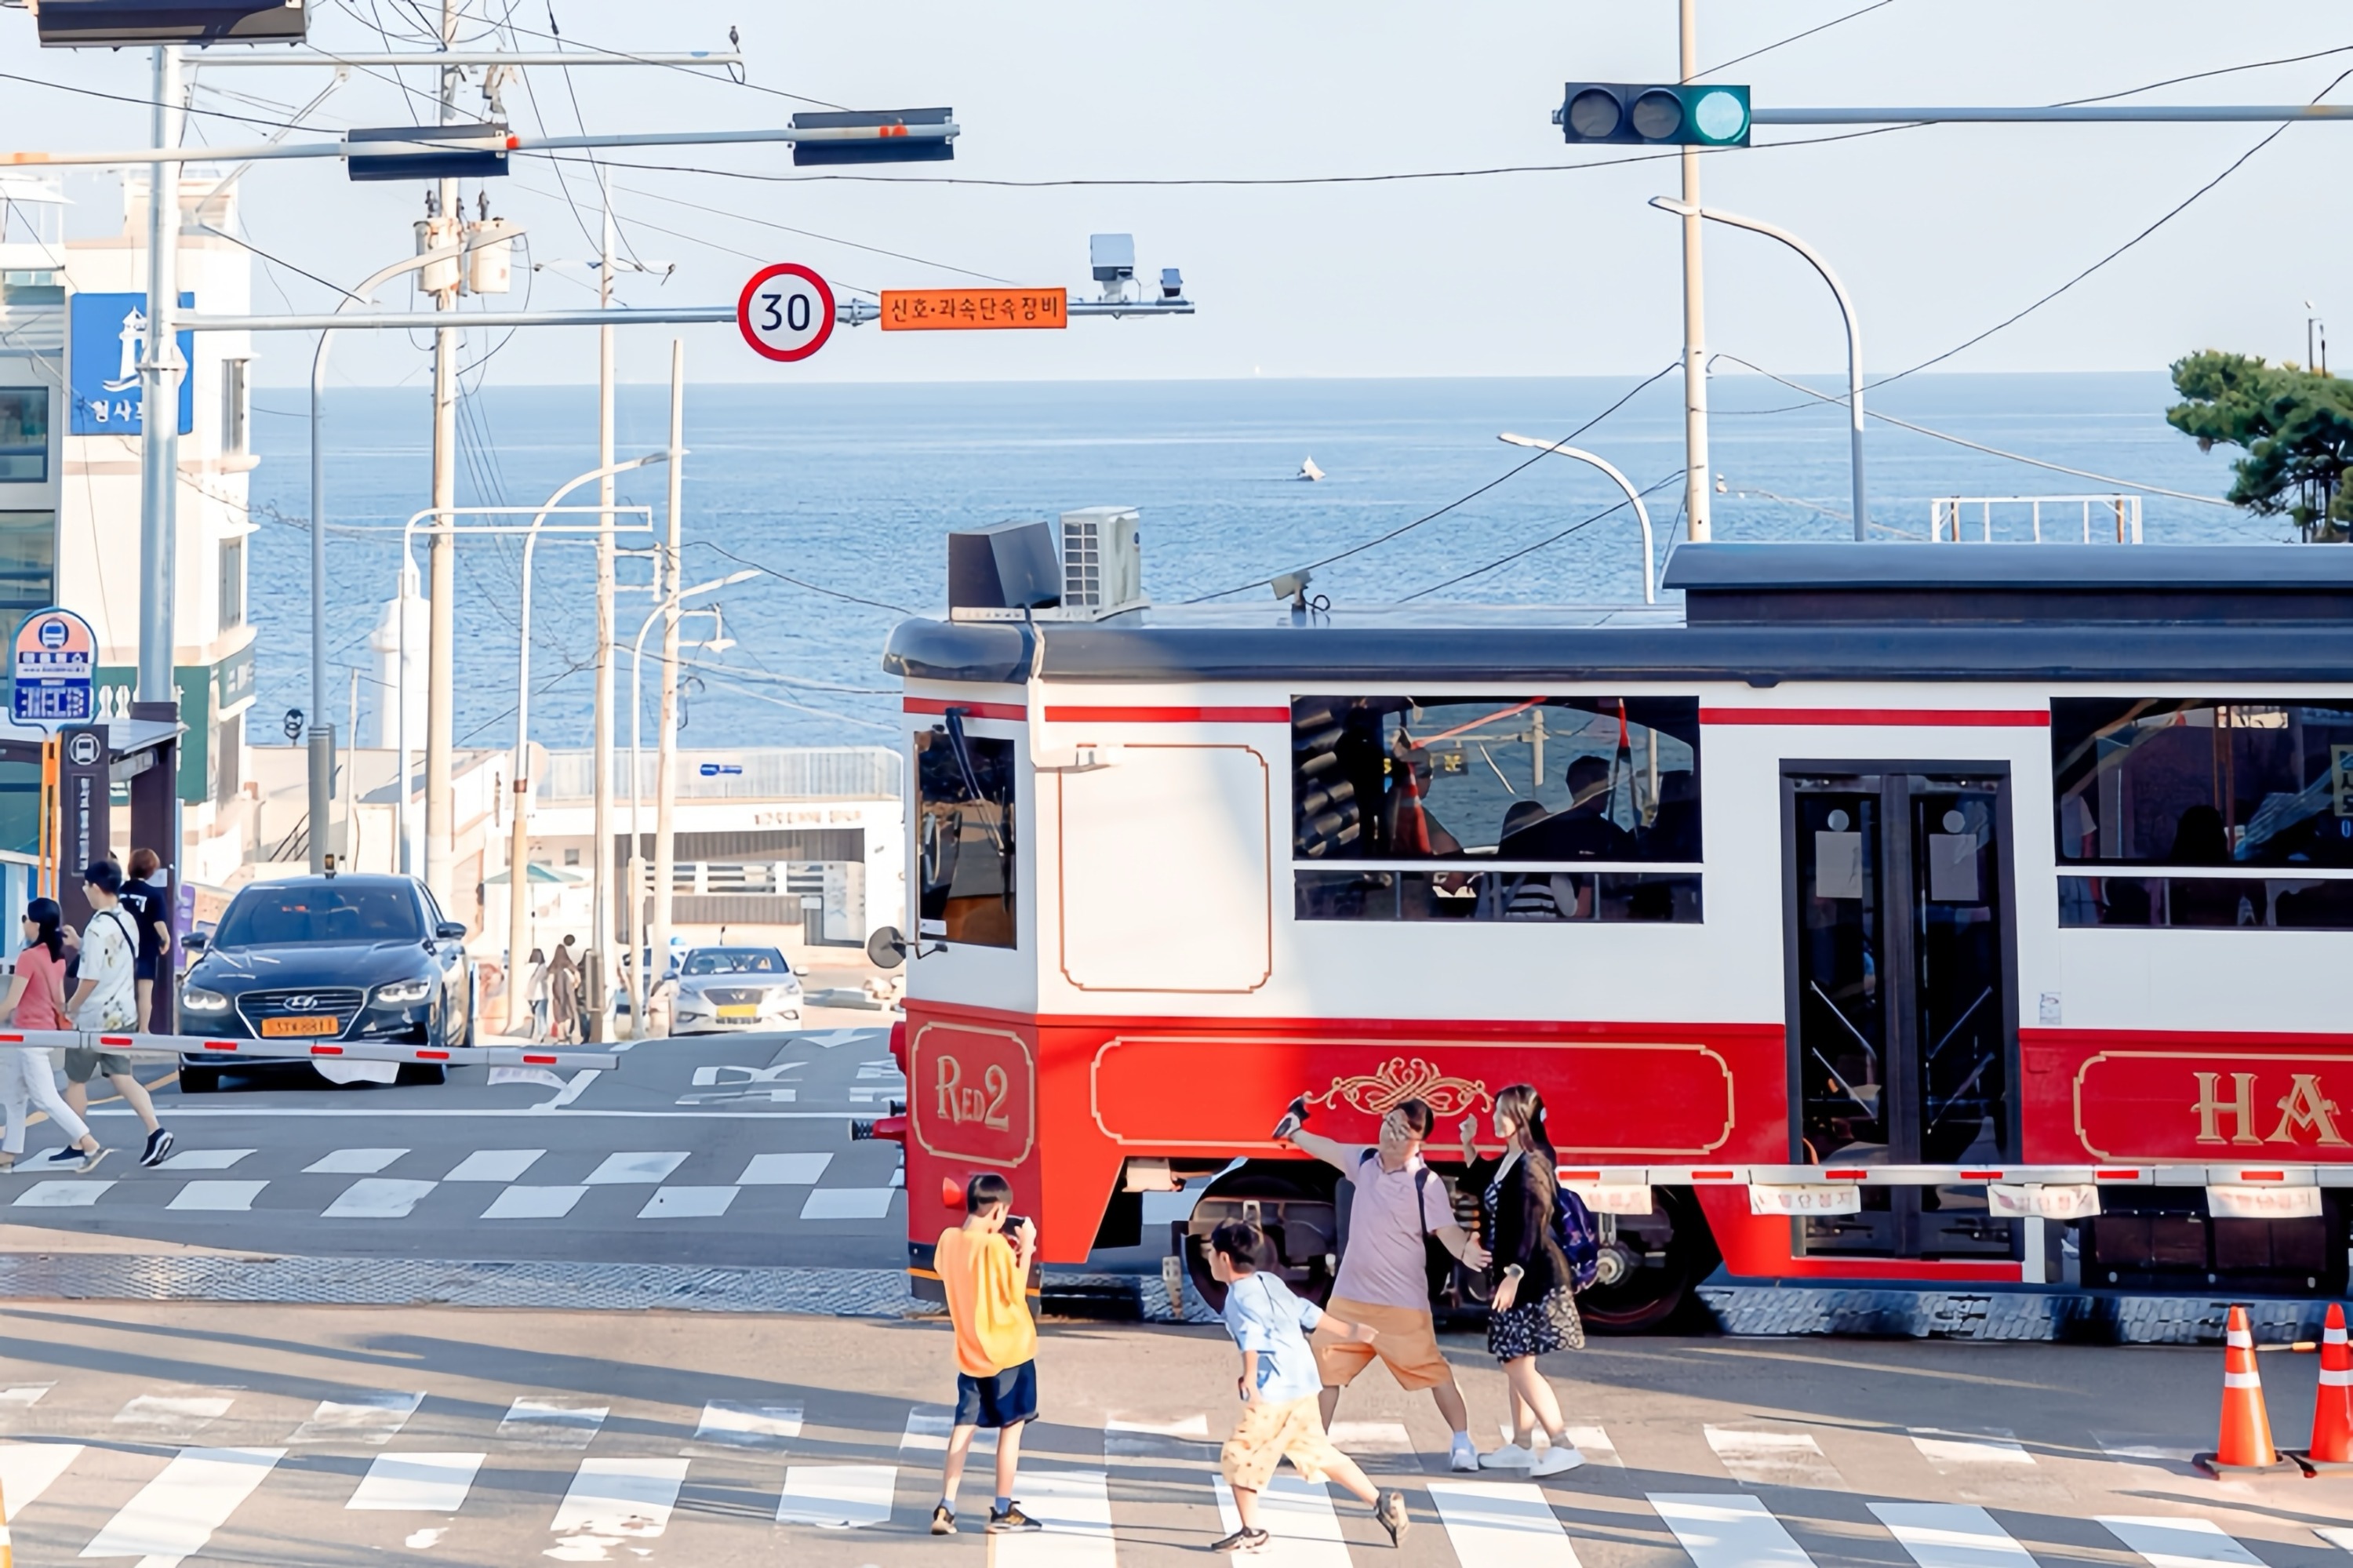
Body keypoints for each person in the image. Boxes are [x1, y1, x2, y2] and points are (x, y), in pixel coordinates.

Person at [1273, 1095, 1489, 1472]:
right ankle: (1315, 1445)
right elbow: (1331, 1151)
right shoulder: (1365, 1163)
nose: (1391, 1135)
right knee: (1324, 1366)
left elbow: (1447, 1231)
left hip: (1400, 1303)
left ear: (1418, 1141)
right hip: (1350, 1297)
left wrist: (1466, 1252)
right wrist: (1297, 1133)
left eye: (1402, 1131)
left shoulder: (1427, 1183)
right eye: (1388, 1124)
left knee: (1433, 1372)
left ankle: (1462, 1441)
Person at [1207, 1218, 1409, 1553]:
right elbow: (1304, 1311)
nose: (1211, 1259)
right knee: (1317, 1451)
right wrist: (1351, 1331)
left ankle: (1252, 1531)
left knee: (1239, 1455)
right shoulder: (1269, 1280)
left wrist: (1251, 1382)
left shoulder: (1237, 1298)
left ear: (1225, 1259)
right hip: (1303, 1381)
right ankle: (1382, 1501)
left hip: (1276, 1392)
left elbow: (1252, 1338)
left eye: (1212, 1253)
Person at [1457, 1086, 1585, 1475]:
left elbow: (1534, 1223)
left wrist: (1514, 1273)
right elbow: (1482, 1182)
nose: (1496, 1118)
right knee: (1517, 1357)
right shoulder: (1511, 1159)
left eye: (1503, 1113)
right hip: (1518, 1273)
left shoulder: (1533, 1163)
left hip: (1533, 1275)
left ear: (1521, 1118)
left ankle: (1562, 1443)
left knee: (1517, 1363)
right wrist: (1467, 1143)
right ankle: (1522, 1444)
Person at [931, 1172, 1042, 1537]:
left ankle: (946, 1506)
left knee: (964, 1426)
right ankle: (1003, 1508)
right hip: (1008, 1352)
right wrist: (1025, 1248)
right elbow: (1014, 1290)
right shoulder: (995, 1248)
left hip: (970, 1352)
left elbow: (947, 1269)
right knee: (1011, 1428)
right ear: (998, 1212)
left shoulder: (948, 1240)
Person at [64, 860, 172, 1167]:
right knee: (122, 1077)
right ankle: (156, 1131)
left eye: (86, 886)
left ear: (96, 887)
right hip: (122, 1015)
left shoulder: (98, 927)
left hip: (94, 1018)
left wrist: (71, 1007)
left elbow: (91, 978)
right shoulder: (125, 918)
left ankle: (79, 1141)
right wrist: (79, 945)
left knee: (76, 1080)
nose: (84, 890)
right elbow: (113, 957)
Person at [0, 899, 103, 1173]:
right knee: (13, 1096)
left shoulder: (29, 957)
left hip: (29, 1038)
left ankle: (88, 1142)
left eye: (26, 918)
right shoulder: (55, 956)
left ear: (35, 923)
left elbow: (11, 1002)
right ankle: (8, 1155)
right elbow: (59, 999)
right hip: (39, 1034)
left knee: (45, 1097)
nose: (24, 923)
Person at [1502, 755, 1635, 862]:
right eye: (1605, 783)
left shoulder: (1541, 832)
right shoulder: (1610, 836)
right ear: (1583, 785)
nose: (1609, 791)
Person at [119, 848, 173, 1035]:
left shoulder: (119, 891)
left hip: (119, 946)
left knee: (119, 987)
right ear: (151, 870)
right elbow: (158, 923)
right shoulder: (154, 895)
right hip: (145, 947)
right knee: (144, 991)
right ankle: (143, 1029)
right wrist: (166, 939)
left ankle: (119, 1025)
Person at [547, 936, 581, 1044]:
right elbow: (578, 977)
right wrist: (574, 986)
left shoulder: (553, 966)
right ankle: (568, 1033)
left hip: (556, 993)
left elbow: (547, 977)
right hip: (568, 993)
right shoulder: (569, 965)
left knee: (559, 1014)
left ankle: (561, 1036)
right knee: (569, 1012)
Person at [523, 948, 551, 1042]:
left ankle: (541, 1033)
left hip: (539, 995)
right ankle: (539, 1033)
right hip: (537, 995)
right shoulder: (538, 967)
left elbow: (536, 980)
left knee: (540, 1015)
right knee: (538, 1015)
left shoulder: (542, 968)